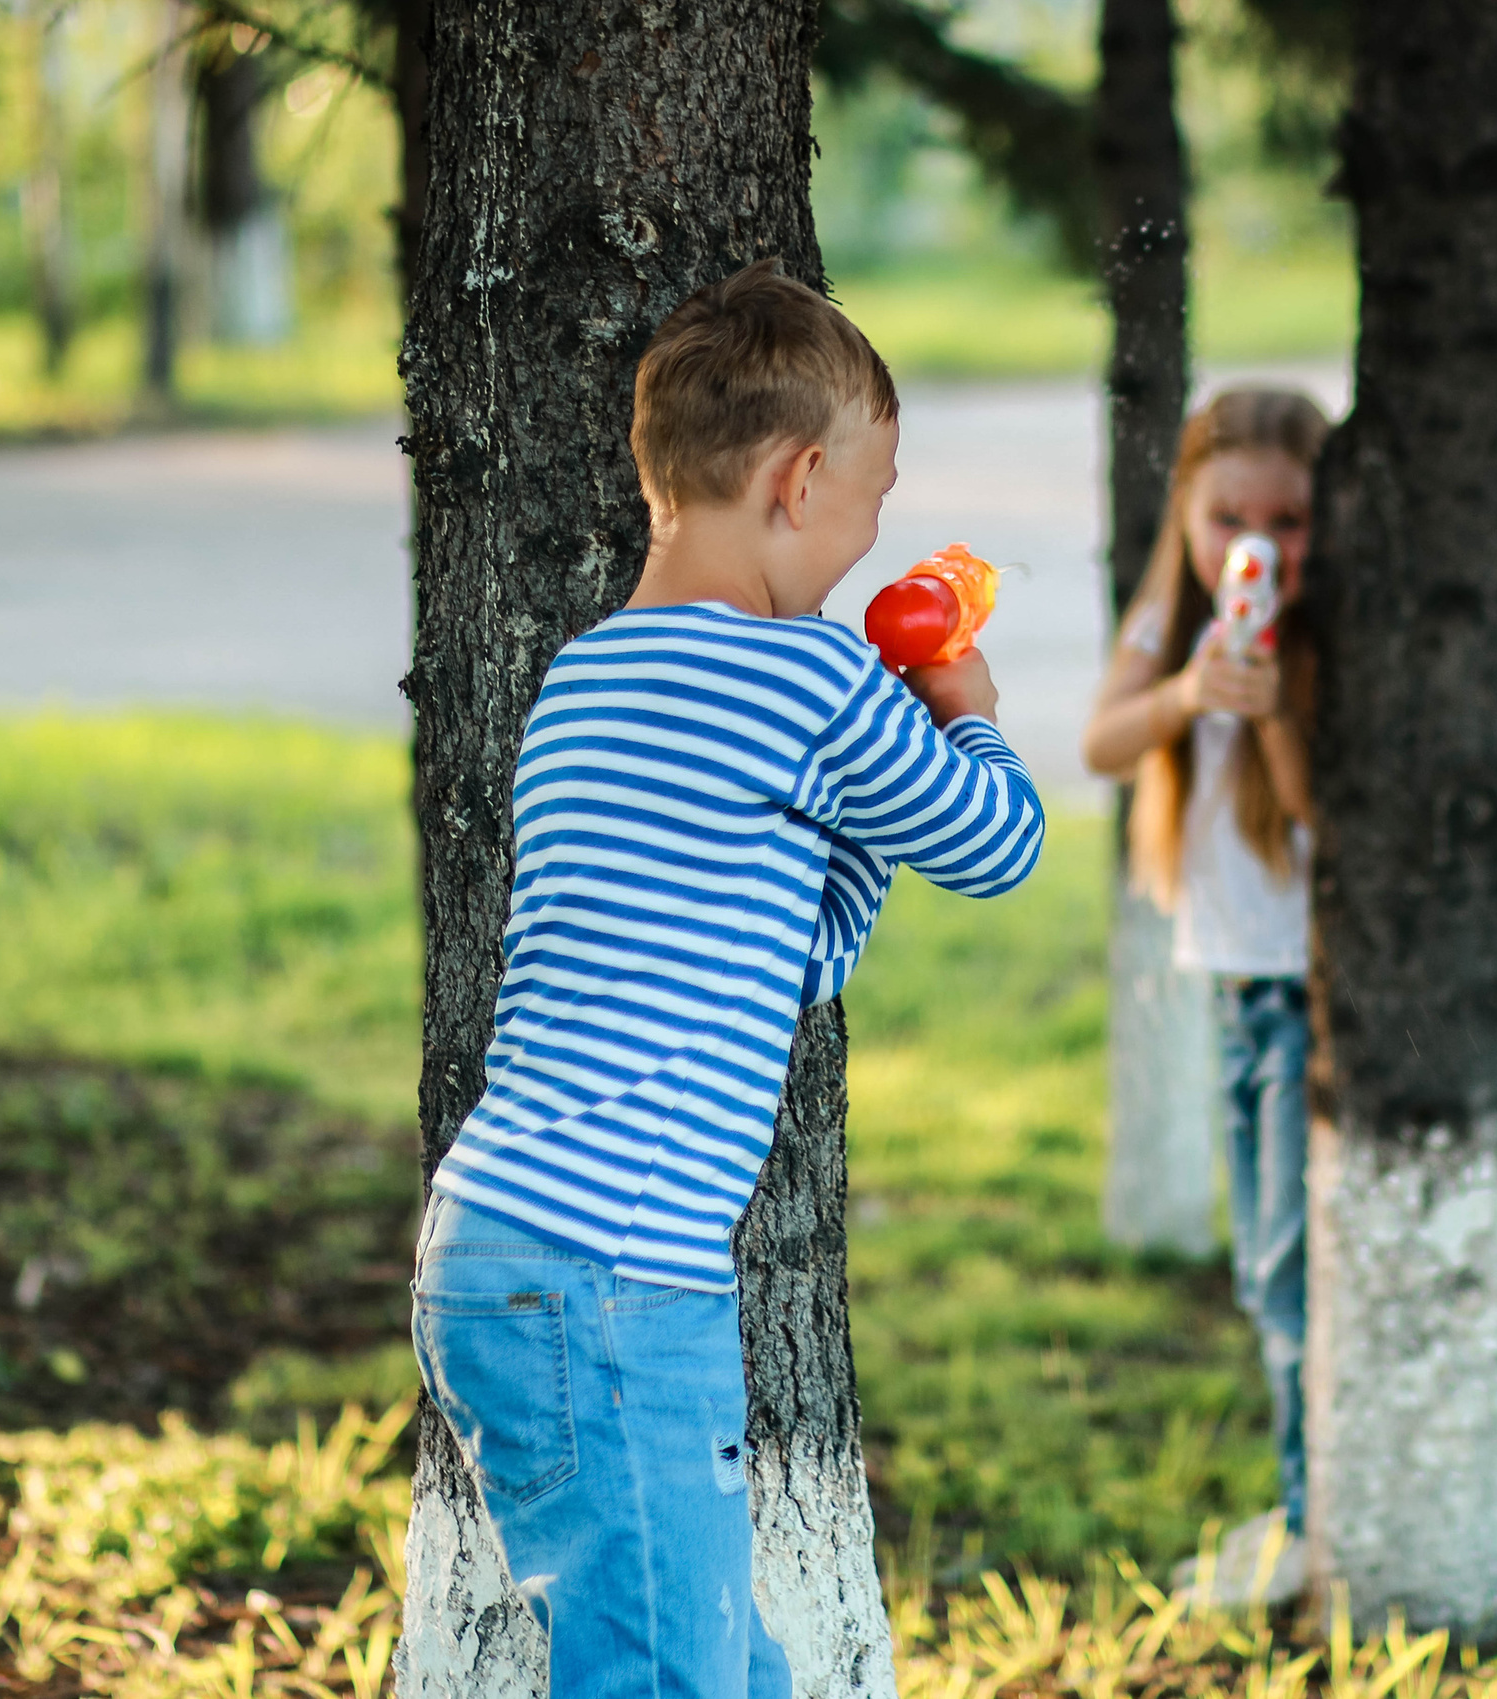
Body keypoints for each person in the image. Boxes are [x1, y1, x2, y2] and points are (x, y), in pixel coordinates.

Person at [409, 259, 1044, 1699]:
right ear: (802, 478)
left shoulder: (588, 676)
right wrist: (965, 717)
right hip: (621, 1278)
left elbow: (793, 955)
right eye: (876, 498)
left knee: (717, 1666)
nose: (875, 534)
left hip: (504, 1247)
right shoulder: (809, 682)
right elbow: (1001, 846)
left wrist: (861, 806)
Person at [1081, 386, 1332, 1582]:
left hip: (1300, 994)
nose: (1254, 546)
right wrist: (1192, 687)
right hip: (1229, 985)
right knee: (1262, 1267)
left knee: (1287, 1273)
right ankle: (1306, 1504)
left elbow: (1312, 813)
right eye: (1226, 514)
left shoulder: (1326, 628)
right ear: (1183, 507)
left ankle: (1310, 1516)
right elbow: (1100, 742)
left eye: (1285, 521)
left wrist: (1271, 701)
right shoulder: (1175, 607)